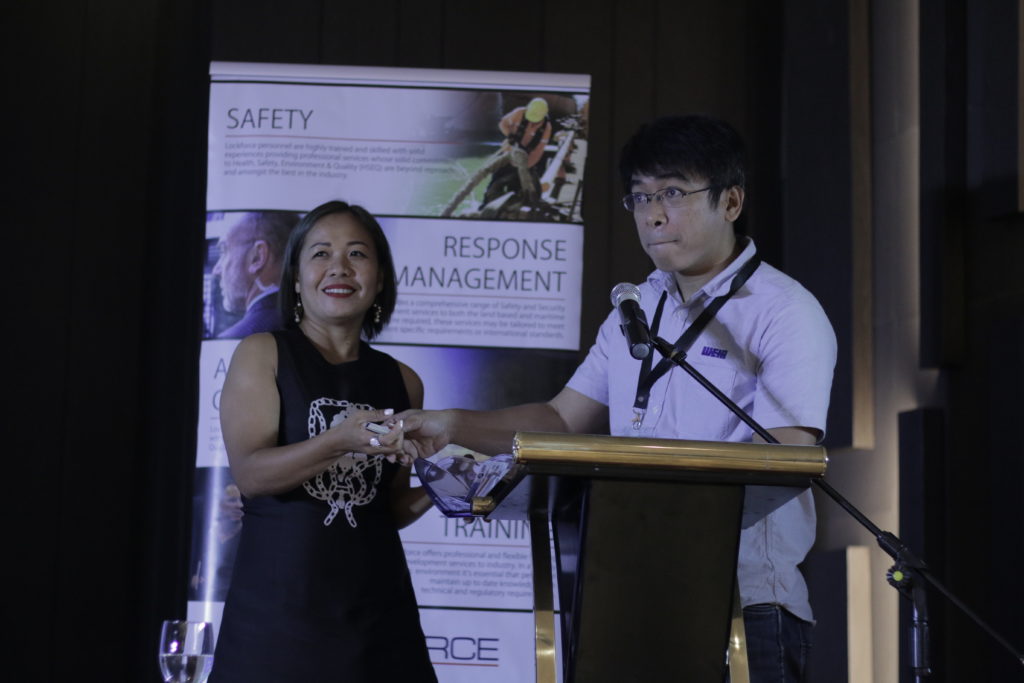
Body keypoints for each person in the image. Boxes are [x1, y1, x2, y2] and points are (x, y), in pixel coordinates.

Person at [402, 115, 837, 683]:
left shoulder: (783, 311)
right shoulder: (637, 308)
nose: (652, 214)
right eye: (640, 197)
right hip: (632, 597)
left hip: (744, 601)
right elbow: (561, 419)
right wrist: (450, 423)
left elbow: (787, 460)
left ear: (730, 202)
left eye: (673, 193)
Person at [210, 200, 437, 683]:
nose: (339, 267)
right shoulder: (263, 353)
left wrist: (450, 487)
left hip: (379, 624)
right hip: (277, 623)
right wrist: (339, 440)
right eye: (321, 253)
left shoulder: (403, 380)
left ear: (379, 278)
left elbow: (388, 508)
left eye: (357, 254)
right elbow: (251, 475)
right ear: (295, 278)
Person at [213, 210, 300, 338]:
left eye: (224, 250)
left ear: (257, 257)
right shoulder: (315, 329)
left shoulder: (234, 339)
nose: (216, 270)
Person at [482, 96, 553, 204]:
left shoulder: (547, 128)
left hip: (525, 159)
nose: (532, 122)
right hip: (508, 153)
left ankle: (512, 205)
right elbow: (503, 124)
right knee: (495, 181)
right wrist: (510, 135)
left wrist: (524, 166)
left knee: (516, 186)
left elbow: (538, 151)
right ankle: (486, 203)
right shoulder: (518, 113)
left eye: (536, 121)